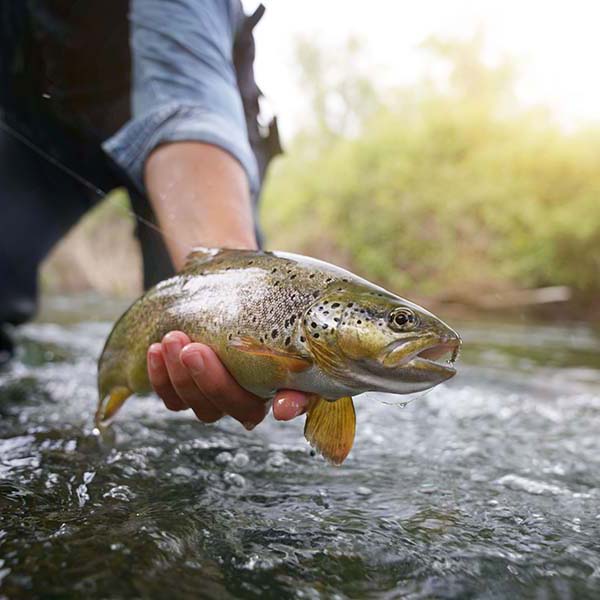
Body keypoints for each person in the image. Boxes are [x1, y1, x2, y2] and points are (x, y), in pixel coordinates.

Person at [0, 0, 310, 426]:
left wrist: (237, 291)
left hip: (193, 131)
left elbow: (188, 105)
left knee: (209, 356)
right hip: (44, 125)